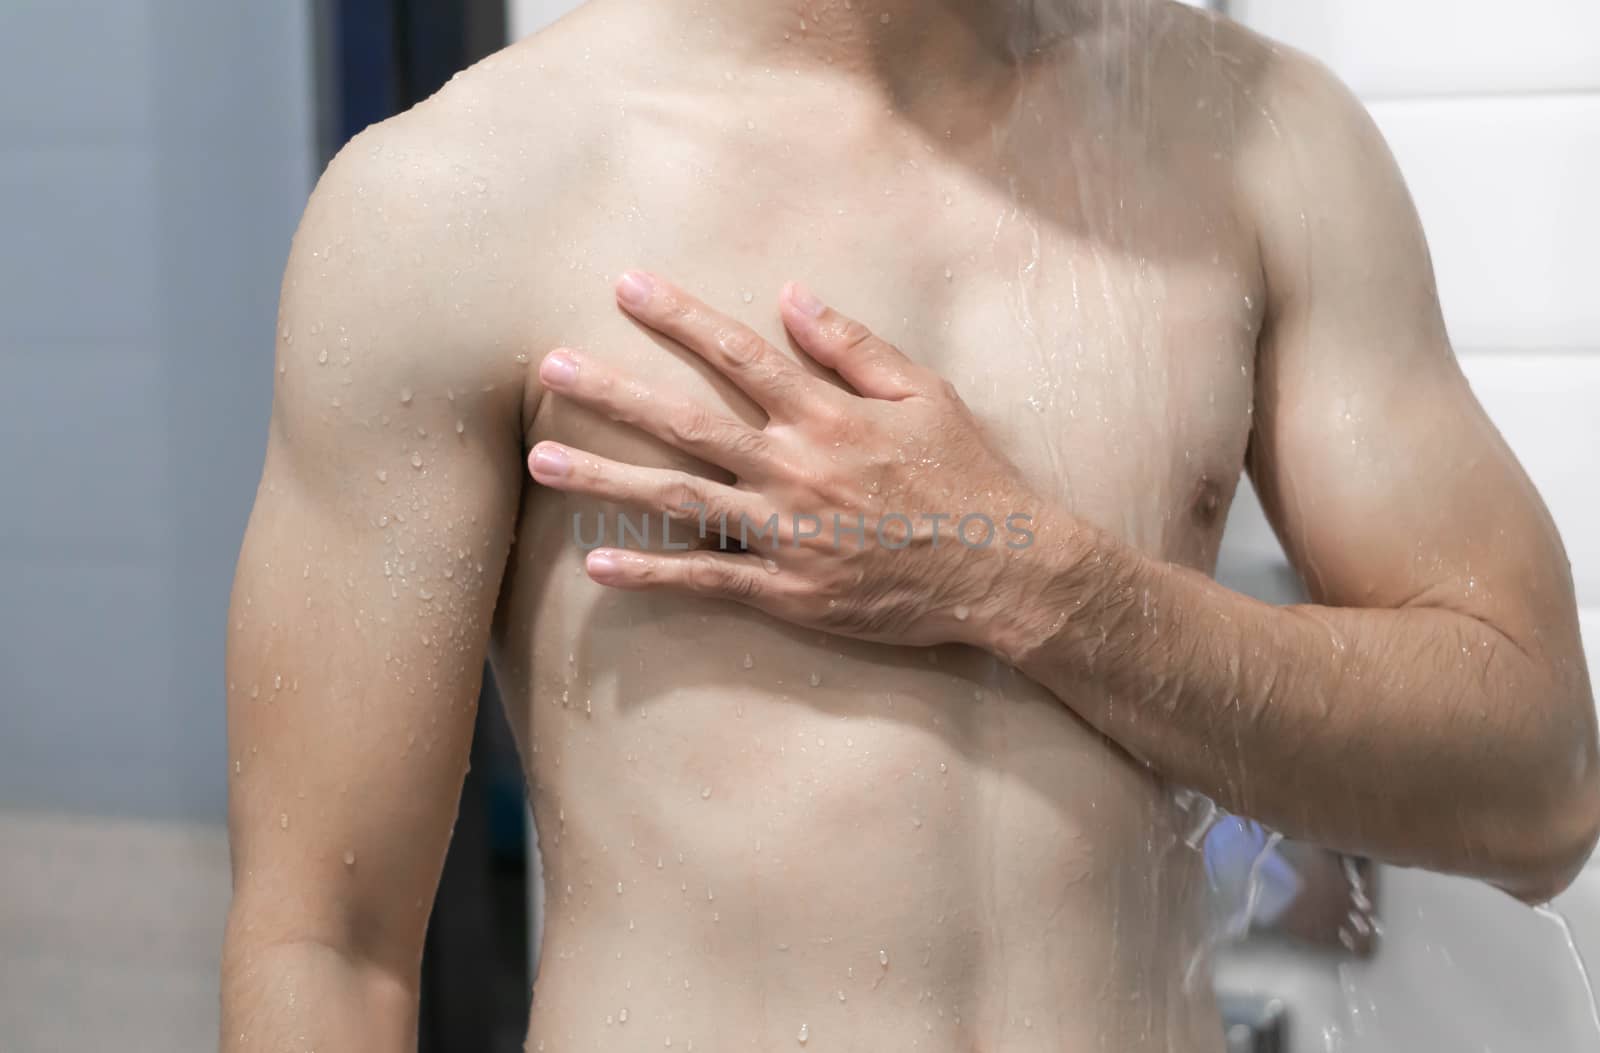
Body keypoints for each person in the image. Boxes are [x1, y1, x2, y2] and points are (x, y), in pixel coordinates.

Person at [221, 1, 1599, 1050]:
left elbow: (1537, 785)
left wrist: (1031, 577)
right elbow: (322, 942)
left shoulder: (1258, 146)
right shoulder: (457, 203)